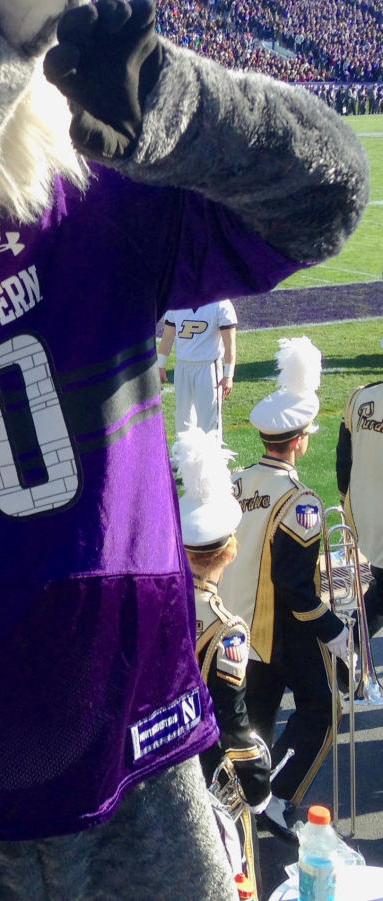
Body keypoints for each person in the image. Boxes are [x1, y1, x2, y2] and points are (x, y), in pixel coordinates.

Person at [220, 338, 350, 843]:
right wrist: (335, 629)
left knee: (254, 725)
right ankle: (275, 798)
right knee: (320, 710)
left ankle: (238, 807)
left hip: (237, 626)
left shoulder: (235, 481)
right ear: (299, 441)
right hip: (280, 630)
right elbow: (296, 587)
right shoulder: (302, 501)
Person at [176, 428, 273, 892]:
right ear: (229, 551)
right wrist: (258, 785)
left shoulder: (153, 603)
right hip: (203, 781)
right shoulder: (226, 630)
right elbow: (234, 729)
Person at [336, 339, 383, 637]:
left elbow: (343, 457)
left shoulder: (359, 397)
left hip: (364, 512)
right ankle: (347, 649)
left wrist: (346, 501)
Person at [159, 299, 237, 441]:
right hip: (182, 366)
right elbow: (167, 337)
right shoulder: (177, 302)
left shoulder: (221, 304)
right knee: (183, 417)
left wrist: (228, 375)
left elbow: (229, 344)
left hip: (208, 367)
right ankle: (182, 459)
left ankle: (211, 459)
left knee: (208, 420)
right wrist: (161, 365)